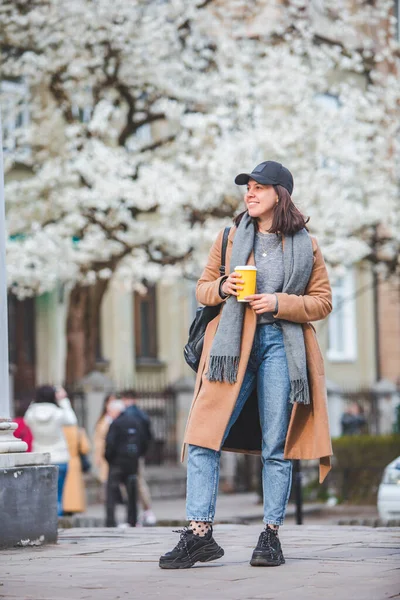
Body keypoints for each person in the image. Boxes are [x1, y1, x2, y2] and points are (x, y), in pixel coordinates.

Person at [159, 160, 333, 569]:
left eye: (259, 187)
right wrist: (223, 286)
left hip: (280, 345)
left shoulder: (306, 245)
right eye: (248, 187)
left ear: (280, 194)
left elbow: (322, 301)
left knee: (277, 446)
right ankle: (199, 534)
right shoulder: (229, 237)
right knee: (202, 437)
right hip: (231, 347)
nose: (249, 194)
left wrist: (280, 303)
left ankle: (270, 535)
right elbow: (202, 289)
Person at [25, 385, 77, 516]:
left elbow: (27, 418)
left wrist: (35, 401)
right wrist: (63, 400)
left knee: (42, 496)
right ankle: (56, 524)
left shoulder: (31, 414)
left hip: (40, 458)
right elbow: (72, 420)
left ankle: (44, 526)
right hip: (60, 457)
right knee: (57, 495)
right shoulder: (59, 413)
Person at [105, 389, 153, 527]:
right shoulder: (137, 419)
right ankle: (132, 519)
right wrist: (138, 455)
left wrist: (109, 458)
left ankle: (110, 520)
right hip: (133, 460)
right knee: (132, 488)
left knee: (112, 491)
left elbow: (110, 443)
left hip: (117, 462)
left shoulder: (116, 423)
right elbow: (144, 440)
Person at [62, 424, 91, 515]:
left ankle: (62, 508)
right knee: (73, 490)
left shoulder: (59, 429)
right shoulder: (78, 430)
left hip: (61, 459)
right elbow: (85, 448)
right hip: (74, 461)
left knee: (62, 488)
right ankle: (71, 509)